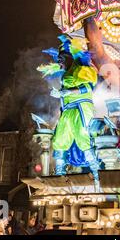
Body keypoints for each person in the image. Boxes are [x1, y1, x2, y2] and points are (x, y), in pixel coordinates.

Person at [38, 35, 99, 177]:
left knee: (83, 136)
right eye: (58, 59)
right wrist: (60, 94)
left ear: (70, 56)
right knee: (60, 138)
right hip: (68, 110)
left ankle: (96, 172)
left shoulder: (81, 69)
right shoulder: (65, 74)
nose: (59, 62)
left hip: (81, 108)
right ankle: (60, 172)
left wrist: (67, 92)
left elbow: (88, 88)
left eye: (61, 58)